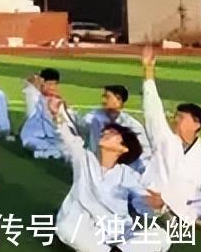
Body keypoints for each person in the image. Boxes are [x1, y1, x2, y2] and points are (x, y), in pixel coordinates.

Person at [47, 96, 169, 252]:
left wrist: (155, 205)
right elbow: (67, 137)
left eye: (112, 133)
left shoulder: (127, 175)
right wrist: (57, 114)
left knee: (161, 236)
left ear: (123, 148)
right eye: (105, 131)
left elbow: (142, 204)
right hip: (86, 230)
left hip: (117, 234)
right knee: (66, 228)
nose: (105, 133)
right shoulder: (84, 158)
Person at [139, 45, 201, 226]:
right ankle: (199, 219)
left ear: (196, 124)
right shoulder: (165, 138)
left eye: (181, 117)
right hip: (156, 197)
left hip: (186, 202)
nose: (174, 120)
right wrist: (148, 71)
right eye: (176, 116)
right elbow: (153, 109)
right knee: (150, 201)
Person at [77, 84, 150, 172]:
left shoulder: (132, 125)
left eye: (107, 97)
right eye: (103, 97)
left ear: (119, 99)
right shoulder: (93, 119)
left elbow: (145, 153)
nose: (103, 101)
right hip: (94, 168)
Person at [21, 68, 72, 159]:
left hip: (53, 139)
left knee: (69, 148)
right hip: (34, 137)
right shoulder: (35, 99)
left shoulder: (59, 102)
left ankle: (47, 153)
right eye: (49, 84)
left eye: (54, 84)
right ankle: (45, 154)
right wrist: (37, 81)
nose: (52, 87)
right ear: (42, 83)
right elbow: (29, 85)